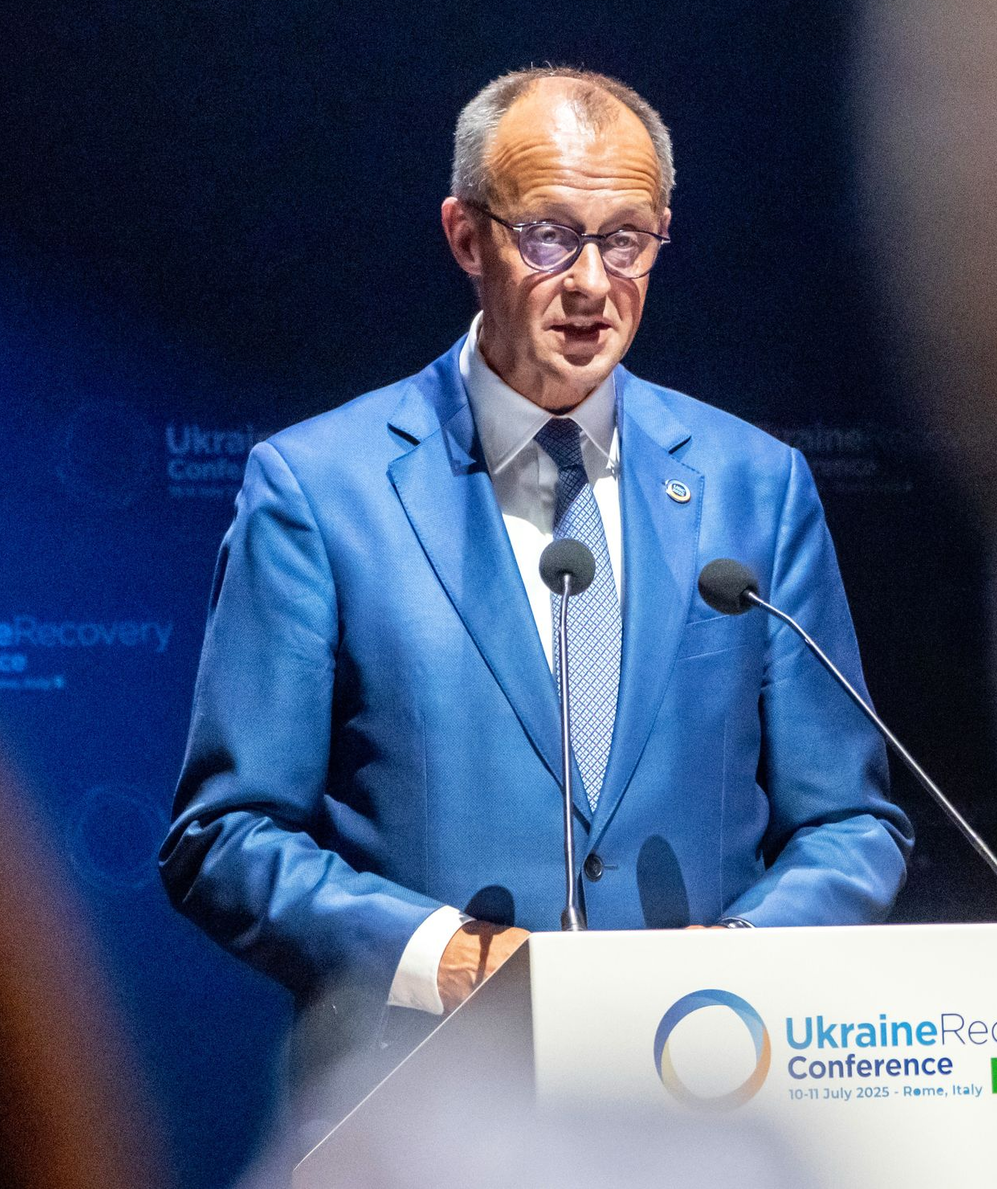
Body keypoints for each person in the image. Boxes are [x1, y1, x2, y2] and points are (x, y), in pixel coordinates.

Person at [160, 67, 913, 1113]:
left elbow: (851, 823)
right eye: (550, 234)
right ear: (466, 237)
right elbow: (225, 837)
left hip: (705, 1099)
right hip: (425, 1107)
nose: (593, 282)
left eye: (628, 238)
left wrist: (740, 955)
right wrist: (446, 956)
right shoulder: (320, 492)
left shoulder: (755, 486)